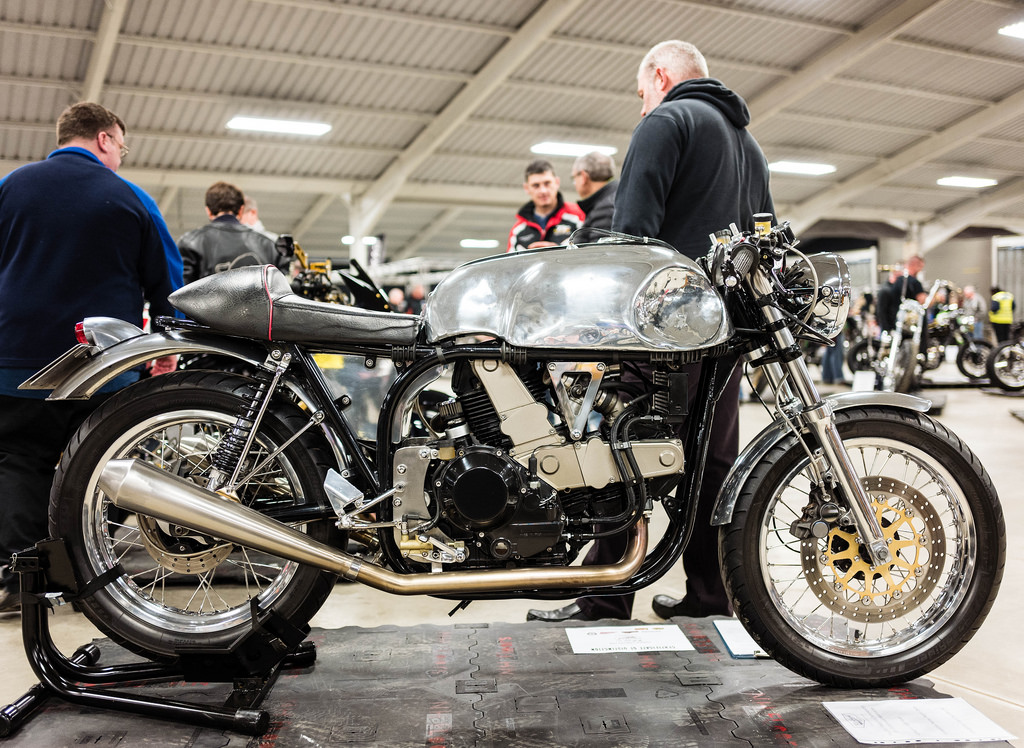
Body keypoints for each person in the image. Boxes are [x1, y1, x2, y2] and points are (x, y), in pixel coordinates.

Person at [527, 40, 773, 624]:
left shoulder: (667, 121)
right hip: (724, 332)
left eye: (642, 93)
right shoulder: (749, 144)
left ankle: (605, 598)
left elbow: (631, 236)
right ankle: (710, 597)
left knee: (621, 450)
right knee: (713, 465)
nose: (642, 106)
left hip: (663, 331)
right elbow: (762, 237)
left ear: (661, 76)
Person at [0, 102, 182, 613]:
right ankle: (87, 573)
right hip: (101, 366)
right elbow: (167, 282)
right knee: (105, 465)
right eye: (122, 146)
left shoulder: (10, 187)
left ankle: (25, 582)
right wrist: (166, 349)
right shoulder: (130, 196)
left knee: (19, 462)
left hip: (16, 362)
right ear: (104, 139)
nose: (121, 155)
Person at [178, 182, 284, 284]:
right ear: (241, 210)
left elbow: (181, 289)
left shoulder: (190, 242)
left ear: (208, 211)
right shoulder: (269, 246)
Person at [506, 159, 584, 252]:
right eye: (536, 185)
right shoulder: (517, 230)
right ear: (526, 188)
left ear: (557, 182)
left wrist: (557, 251)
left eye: (547, 183)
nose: (543, 191)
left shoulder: (579, 216)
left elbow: (591, 253)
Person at [877, 256, 926, 333]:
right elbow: (882, 312)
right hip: (894, 327)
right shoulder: (886, 290)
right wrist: (886, 330)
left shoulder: (899, 285)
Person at [572, 151, 618, 233]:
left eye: (574, 178)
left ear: (583, 177)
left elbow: (599, 241)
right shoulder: (614, 198)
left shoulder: (604, 209)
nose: (574, 184)